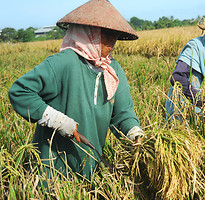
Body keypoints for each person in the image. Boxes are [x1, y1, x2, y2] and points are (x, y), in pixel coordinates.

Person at [8, 0, 143, 181]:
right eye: (107, 35)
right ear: (89, 34)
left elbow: (123, 113)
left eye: (115, 37)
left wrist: (134, 132)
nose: (112, 43)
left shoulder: (113, 70)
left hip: (90, 166)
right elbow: (20, 91)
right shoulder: (65, 63)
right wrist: (56, 119)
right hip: (54, 170)